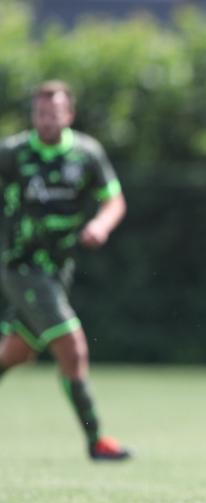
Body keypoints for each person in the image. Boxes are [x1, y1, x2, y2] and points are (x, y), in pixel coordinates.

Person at [0, 80, 130, 460]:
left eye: (54, 113)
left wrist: (101, 225)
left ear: (68, 115)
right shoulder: (13, 153)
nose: (46, 120)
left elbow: (114, 200)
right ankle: (97, 441)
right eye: (40, 114)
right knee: (72, 345)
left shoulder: (86, 154)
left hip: (58, 272)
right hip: (21, 267)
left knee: (15, 354)